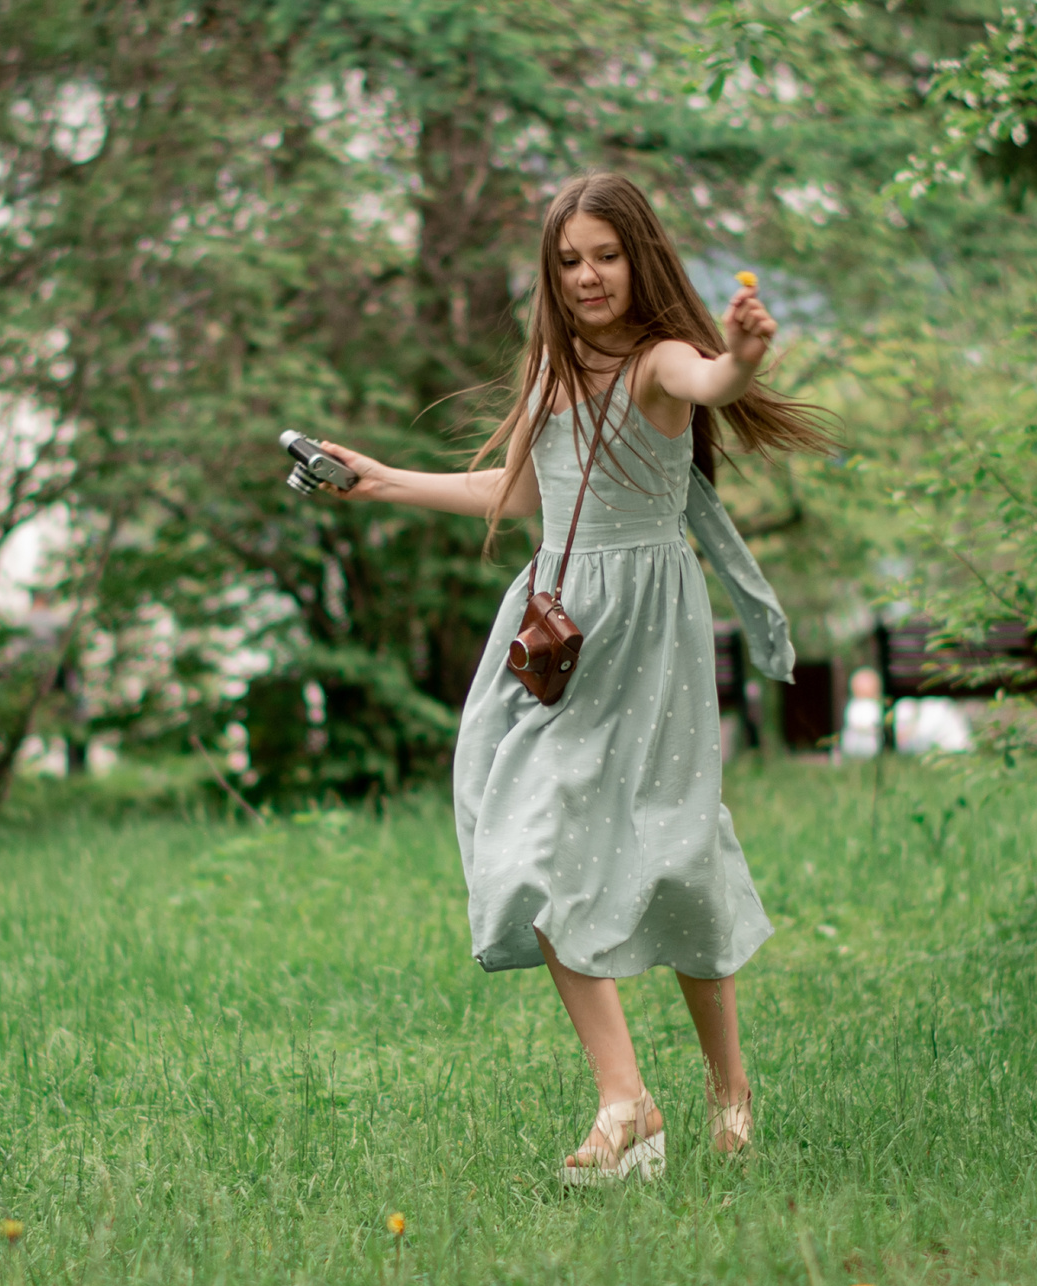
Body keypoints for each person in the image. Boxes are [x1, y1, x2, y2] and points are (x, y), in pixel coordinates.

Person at [318, 171, 833, 1186]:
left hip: (648, 628)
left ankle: (729, 1091)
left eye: (605, 255)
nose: (588, 275)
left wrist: (742, 355)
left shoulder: (658, 359)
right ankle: (625, 1101)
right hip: (560, 629)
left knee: (673, 846)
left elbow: (710, 383)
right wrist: (381, 480)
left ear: (640, 258)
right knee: (530, 844)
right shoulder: (551, 370)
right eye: (568, 260)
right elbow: (517, 494)